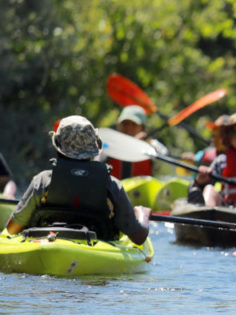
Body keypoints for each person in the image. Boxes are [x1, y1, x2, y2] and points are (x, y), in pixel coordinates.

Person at [5, 116, 150, 245]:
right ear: (95, 149)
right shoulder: (111, 184)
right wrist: (142, 214)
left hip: (46, 244)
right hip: (94, 252)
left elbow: (11, 229)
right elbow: (139, 237)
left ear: (57, 147)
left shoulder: (42, 180)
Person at [104, 105, 167, 179]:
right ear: (119, 126)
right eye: (125, 123)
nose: (129, 128)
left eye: (134, 124)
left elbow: (165, 156)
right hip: (112, 189)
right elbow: (99, 156)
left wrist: (147, 145)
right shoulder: (108, 143)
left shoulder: (151, 144)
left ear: (142, 128)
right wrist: (132, 143)